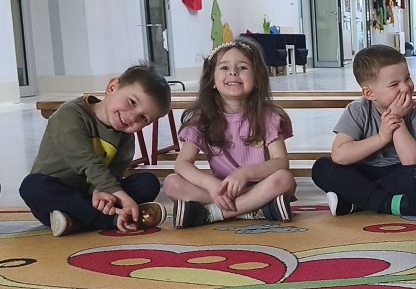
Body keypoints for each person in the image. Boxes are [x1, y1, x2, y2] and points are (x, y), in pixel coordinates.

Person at [20, 62, 170, 236]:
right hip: (59, 193)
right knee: (31, 186)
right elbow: (85, 162)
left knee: (148, 183)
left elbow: (114, 173)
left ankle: (75, 221)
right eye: (132, 102)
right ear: (112, 87)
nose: (132, 117)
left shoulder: (125, 137)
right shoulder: (70, 114)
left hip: (93, 194)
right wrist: (118, 195)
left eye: (143, 118)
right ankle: (110, 220)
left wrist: (102, 192)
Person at [165, 38, 296, 228]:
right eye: (224, 68)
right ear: (212, 80)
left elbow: (281, 162)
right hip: (221, 191)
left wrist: (246, 173)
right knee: (171, 183)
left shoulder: (268, 117)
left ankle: (211, 214)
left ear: (257, 79)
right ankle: (253, 210)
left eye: (242, 67)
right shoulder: (202, 119)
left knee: (284, 179)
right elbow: (182, 164)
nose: (233, 72)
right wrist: (210, 184)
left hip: (259, 187)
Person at [311, 45, 416, 217]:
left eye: (407, 78)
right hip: (361, 172)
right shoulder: (357, 110)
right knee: (322, 167)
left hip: (398, 173)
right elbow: (339, 155)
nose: (405, 87)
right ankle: (391, 204)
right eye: (394, 84)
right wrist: (381, 138)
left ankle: (354, 201)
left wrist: (396, 118)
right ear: (369, 93)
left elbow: (411, 160)